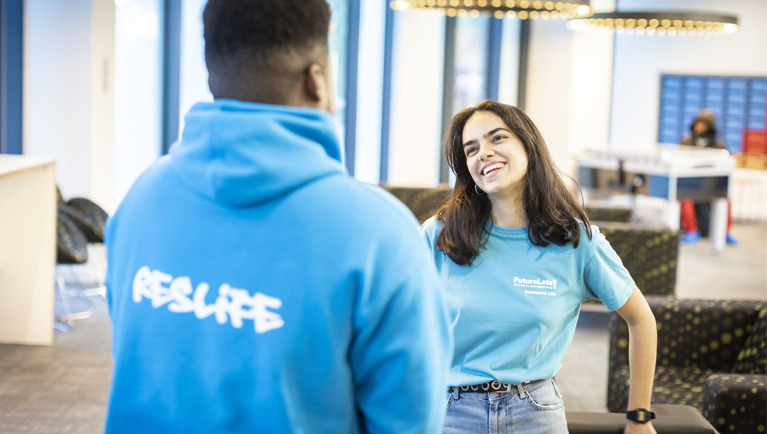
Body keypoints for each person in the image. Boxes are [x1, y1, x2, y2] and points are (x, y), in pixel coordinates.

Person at [103, 0, 452, 432]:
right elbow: (409, 422)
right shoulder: (380, 235)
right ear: (317, 81)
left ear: (212, 74)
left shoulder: (141, 200)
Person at [420, 101, 658, 434]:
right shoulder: (441, 234)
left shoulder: (574, 240)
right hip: (453, 413)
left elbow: (641, 319)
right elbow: (390, 319)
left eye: (497, 138)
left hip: (535, 413)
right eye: (471, 149)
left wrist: (639, 418)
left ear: (528, 145)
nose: (484, 153)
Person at [679, 109, 738, 245]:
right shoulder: (686, 142)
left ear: (710, 127)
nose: (699, 128)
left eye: (703, 125)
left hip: (710, 185)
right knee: (685, 199)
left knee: (726, 198)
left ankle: (726, 232)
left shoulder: (719, 146)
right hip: (689, 184)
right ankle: (692, 231)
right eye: (697, 124)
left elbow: (724, 165)